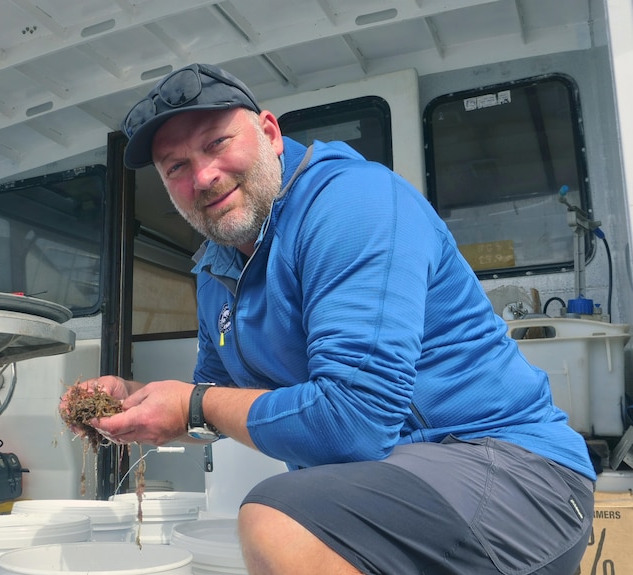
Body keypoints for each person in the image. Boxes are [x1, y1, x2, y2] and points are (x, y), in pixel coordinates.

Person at [64, 63, 596, 574]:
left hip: (516, 474)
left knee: (278, 520)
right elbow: (214, 404)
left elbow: (355, 420)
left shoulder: (352, 203)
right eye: (175, 167)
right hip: (395, 482)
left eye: (216, 142)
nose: (202, 176)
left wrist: (193, 405)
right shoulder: (214, 269)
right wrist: (140, 401)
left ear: (270, 133)